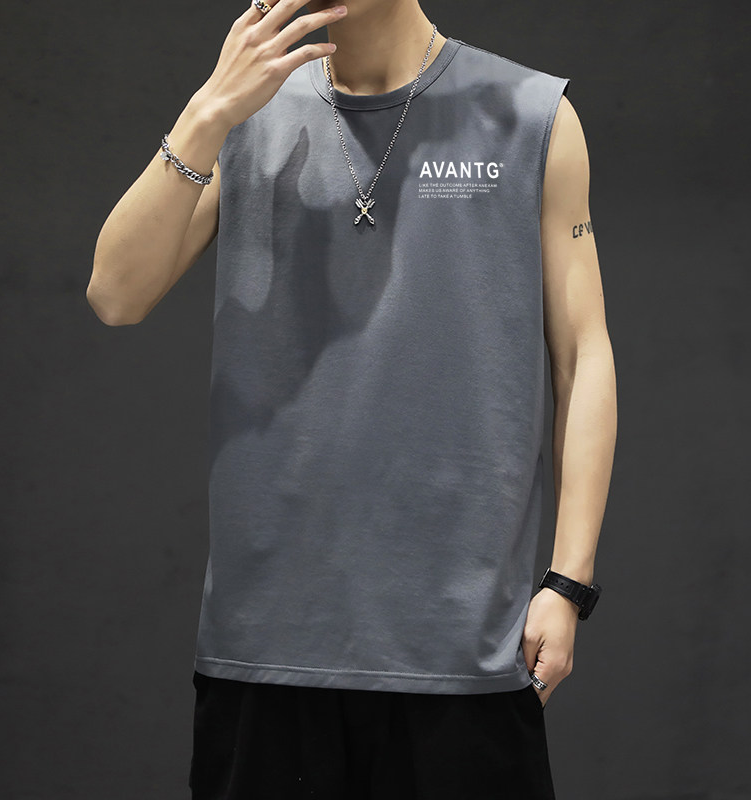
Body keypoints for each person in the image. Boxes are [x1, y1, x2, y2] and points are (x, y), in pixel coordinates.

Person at [87, 0, 617, 797]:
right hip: (266, 649)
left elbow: (584, 354)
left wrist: (568, 583)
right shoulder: (245, 111)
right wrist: (207, 112)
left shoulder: (531, 114)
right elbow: (116, 294)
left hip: (462, 648)